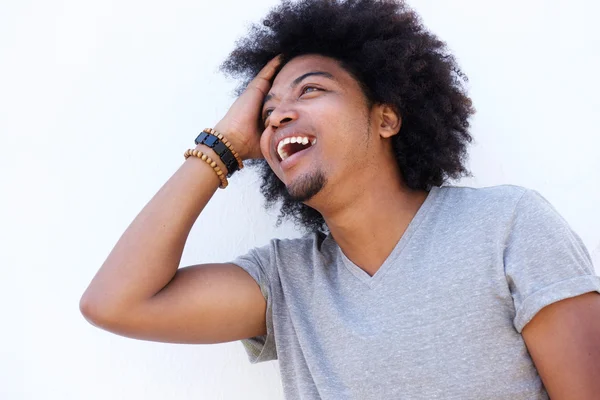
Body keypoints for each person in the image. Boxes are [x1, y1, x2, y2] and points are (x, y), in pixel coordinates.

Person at [79, 0, 600, 399]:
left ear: (386, 118)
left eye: (310, 91)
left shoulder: (507, 225)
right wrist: (221, 147)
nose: (278, 116)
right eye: (266, 115)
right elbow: (115, 303)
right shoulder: (285, 285)